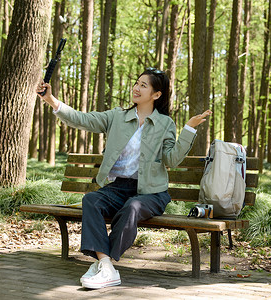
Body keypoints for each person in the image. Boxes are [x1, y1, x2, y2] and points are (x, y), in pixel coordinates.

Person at [36, 67, 211, 289]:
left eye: (143, 85)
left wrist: (189, 129)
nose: (136, 88)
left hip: (151, 193)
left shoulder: (165, 123)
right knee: (91, 200)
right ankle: (106, 265)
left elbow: (171, 159)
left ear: (156, 95)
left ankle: (104, 264)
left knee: (133, 207)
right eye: (136, 83)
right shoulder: (117, 117)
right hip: (118, 188)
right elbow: (81, 119)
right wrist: (51, 99)